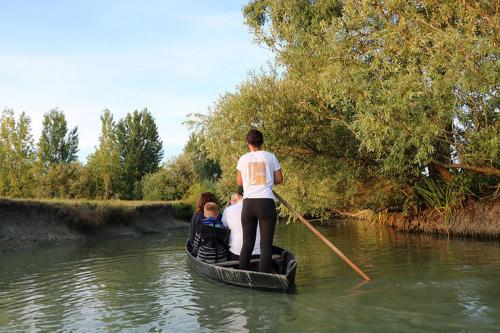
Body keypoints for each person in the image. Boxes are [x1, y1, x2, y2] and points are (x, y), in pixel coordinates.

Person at [237, 129, 283, 273]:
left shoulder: (243, 159)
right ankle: (264, 277)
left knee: (247, 244)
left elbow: (239, 182)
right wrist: (268, 180)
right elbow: (279, 179)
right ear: (262, 142)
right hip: (266, 203)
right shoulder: (271, 157)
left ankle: (242, 275)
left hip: (249, 204)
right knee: (266, 246)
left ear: (248, 143)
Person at [222, 186, 261, 261]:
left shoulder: (228, 210)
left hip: (237, 254)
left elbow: (223, 227)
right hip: (260, 254)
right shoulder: (261, 208)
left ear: (238, 195)